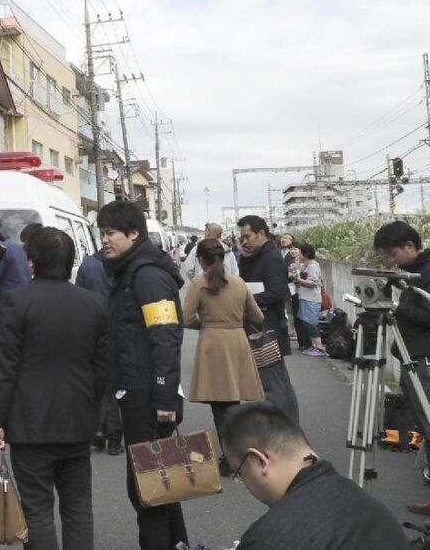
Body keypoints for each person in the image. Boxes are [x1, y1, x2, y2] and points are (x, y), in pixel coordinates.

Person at [0, 227, 109, 550]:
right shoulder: (93, 303)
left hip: (31, 421)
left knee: (37, 508)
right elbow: (102, 366)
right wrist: (93, 405)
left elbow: (6, 366)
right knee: (79, 506)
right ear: (70, 262)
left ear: (32, 262)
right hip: (79, 418)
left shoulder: (17, 301)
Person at [99, 199, 187, 550]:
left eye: (110, 233)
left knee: (148, 488)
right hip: (137, 390)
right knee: (163, 482)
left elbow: (165, 337)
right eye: (101, 233)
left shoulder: (147, 275)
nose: (104, 240)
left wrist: (165, 398)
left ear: (134, 234)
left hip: (147, 395)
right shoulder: (131, 270)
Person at [224, 403, 408, 549]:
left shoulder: (266, 540)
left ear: (260, 460)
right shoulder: (373, 509)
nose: (243, 482)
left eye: (238, 472)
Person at [182, 238, 265, 474]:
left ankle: (232, 457)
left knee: (220, 405)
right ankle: (239, 453)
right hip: (237, 340)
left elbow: (187, 318)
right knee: (233, 402)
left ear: (200, 259)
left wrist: (206, 324)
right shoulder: (239, 283)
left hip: (212, 343)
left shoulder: (200, 284)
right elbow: (257, 316)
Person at [371, 221, 430, 516]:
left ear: (410, 246)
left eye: (393, 253)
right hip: (412, 356)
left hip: (423, 358)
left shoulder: (426, 273)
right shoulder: (413, 274)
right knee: (425, 425)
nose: (391, 260)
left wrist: (397, 306)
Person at [238, 215, 300, 424]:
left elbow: (277, 293)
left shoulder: (272, 258)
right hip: (262, 328)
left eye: (247, 237)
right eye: (242, 238)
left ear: (262, 233)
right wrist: (245, 257)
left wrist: (246, 300)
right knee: (277, 382)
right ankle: (288, 431)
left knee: (274, 385)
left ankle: (284, 432)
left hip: (268, 330)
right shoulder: (255, 256)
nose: (244, 242)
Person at [75, 249, 123, 457]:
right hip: (118, 329)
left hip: (91, 329)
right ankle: (113, 437)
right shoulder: (123, 263)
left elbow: (78, 296)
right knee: (112, 386)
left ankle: (97, 428)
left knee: (95, 383)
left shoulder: (87, 265)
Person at [293, 243, 327, 357]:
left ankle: (319, 347)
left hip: (311, 299)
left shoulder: (313, 266)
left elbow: (312, 282)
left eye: (300, 252)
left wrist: (299, 280)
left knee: (311, 323)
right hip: (305, 297)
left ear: (305, 254)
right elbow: (298, 270)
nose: (298, 254)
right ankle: (314, 346)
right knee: (306, 322)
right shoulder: (306, 265)